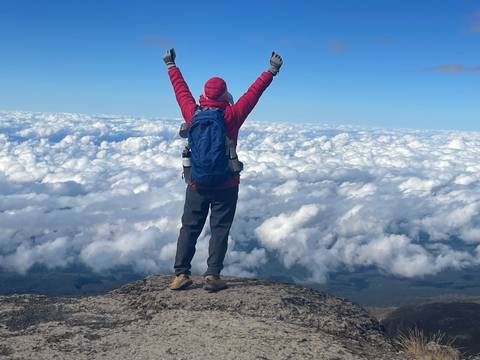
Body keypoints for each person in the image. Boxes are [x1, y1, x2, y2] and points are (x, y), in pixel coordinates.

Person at [163, 48, 283, 292]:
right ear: (224, 93)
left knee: (189, 227)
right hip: (226, 184)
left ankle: (181, 274)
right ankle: (212, 275)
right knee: (220, 228)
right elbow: (253, 93)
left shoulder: (192, 112)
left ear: (205, 94)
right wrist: (271, 71)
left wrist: (171, 66)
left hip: (196, 182)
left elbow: (181, 91)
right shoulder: (232, 115)